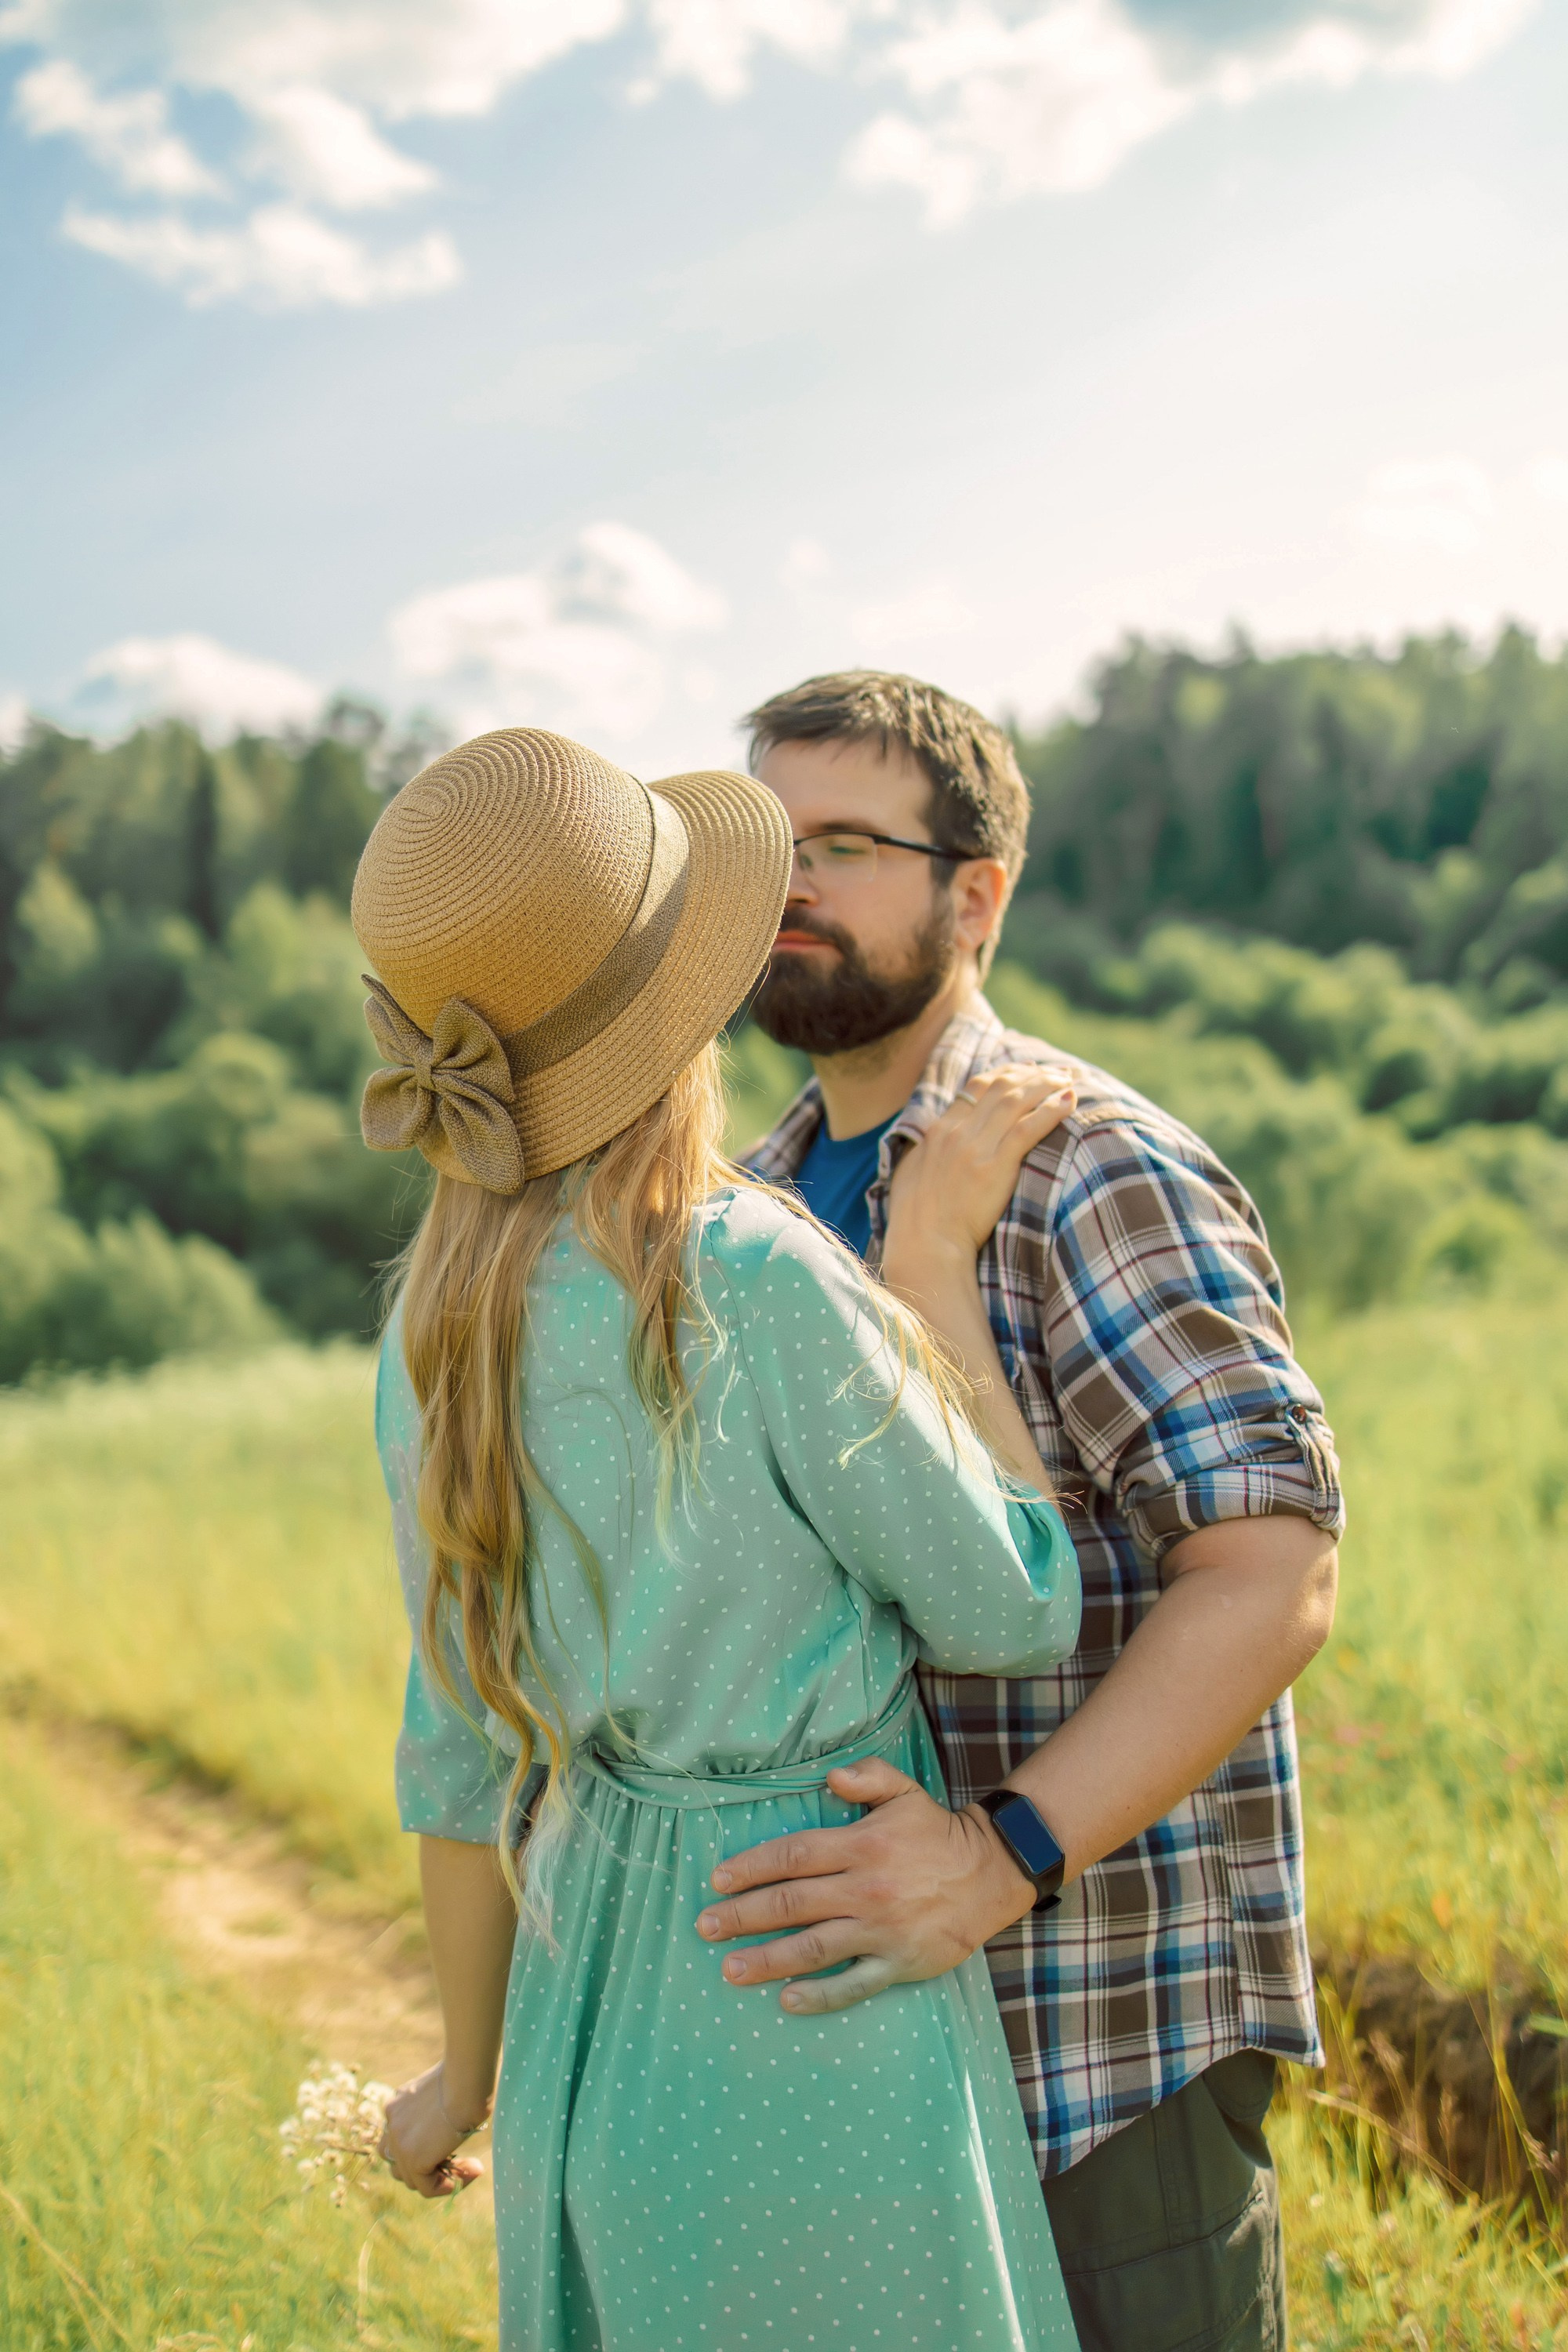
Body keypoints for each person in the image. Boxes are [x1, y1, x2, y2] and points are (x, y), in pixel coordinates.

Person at [363, 726, 1088, 2350]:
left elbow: (457, 1753)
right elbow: (1012, 1607)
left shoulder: (431, 1325)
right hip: (806, 1977)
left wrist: (461, 2078)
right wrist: (931, 1279)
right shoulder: (757, 1278)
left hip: (582, 2003)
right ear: (682, 1002)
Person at [700, 671, 1345, 2352]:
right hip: (849, 2056)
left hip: (1086, 2047)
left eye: (842, 844)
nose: (787, 884)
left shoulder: (1088, 1165)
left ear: (974, 894)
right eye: (765, 838)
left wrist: (999, 1861)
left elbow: (1268, 1570)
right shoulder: (748, 1210)